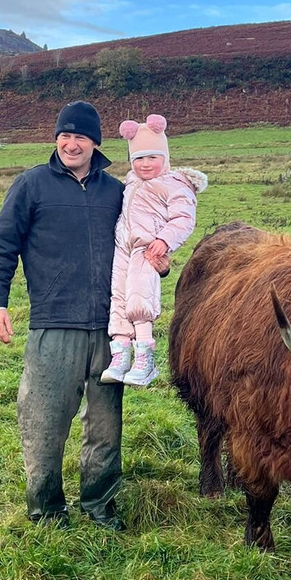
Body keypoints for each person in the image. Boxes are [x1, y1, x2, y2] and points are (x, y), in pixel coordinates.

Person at [0, 100, 165, 531]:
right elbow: (1, 246)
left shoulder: (118, 192)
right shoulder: (31, 186)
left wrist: (161, 260)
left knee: (105, 426)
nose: (70, 143)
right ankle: (46, 510)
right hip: (53, 325)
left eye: (80, 136)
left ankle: (99, 505)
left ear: (95, 142)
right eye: (64, 134)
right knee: (43, 421)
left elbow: (143, 242)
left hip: (110, 329)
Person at [101, 114, 207, 386]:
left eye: (151, 158)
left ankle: (145, 356)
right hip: (122, 247)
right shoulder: (131, 182)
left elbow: (183, 218)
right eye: (138, 159)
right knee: (118, 296)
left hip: (147, 248)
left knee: (139, 294)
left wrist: (165, 240)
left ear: (165, 157)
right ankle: (121, 353)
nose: (145, 164)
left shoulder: (174, 184)